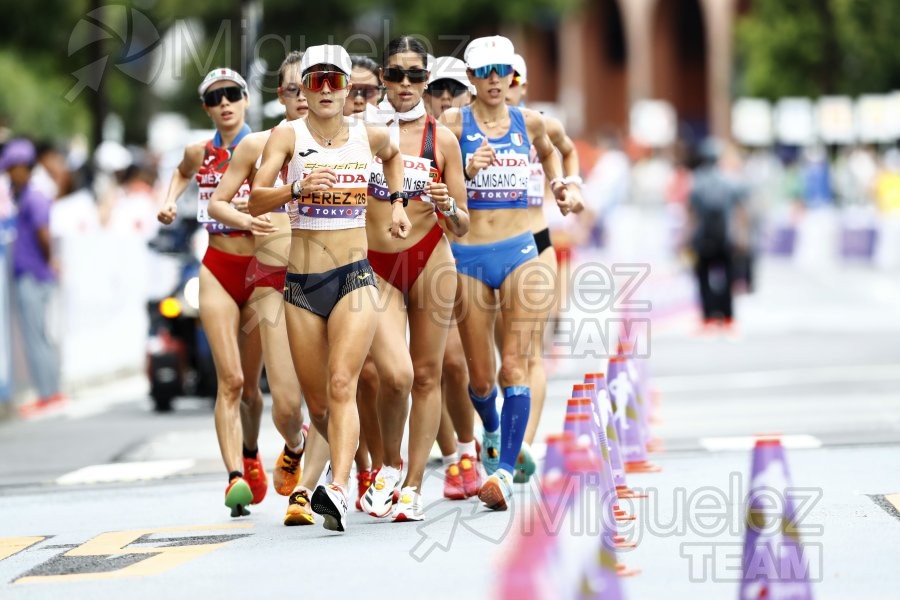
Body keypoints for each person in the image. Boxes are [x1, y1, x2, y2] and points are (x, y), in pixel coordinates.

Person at [250, 44, 410, 533]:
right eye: (315, 81)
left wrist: (398, 203)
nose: (324, 90)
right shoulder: (287, 135)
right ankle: (359, 466)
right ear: (302, 88)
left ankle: (338, 488)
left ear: (347, 89)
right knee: (318, 404)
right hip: (301, 284)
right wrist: (296, 189)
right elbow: (256, 200)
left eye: (334, 81)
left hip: (354, 276)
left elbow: (394, 155)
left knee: (345, 382)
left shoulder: (370, 134)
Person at [440, 36, 575, 511]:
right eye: (486, 71)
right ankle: (492, 431)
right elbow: (432, 182)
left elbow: (558, 148)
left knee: (513, 364)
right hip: (470, 255)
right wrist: (465, 171)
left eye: (502, 70)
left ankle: (502, 470)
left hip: (523, 250)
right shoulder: (452, 124)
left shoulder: (530, 121)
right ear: (472, 78)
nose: (496, 78)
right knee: (480, 379)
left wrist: (565, 185)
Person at [205, 52, 327, 526]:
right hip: (273, 279)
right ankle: (293, 447)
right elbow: (218, 203)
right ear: (282, 95)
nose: (305, 96)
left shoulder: (347, 142)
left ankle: (312, 490)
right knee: (287, 404)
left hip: (328, 274)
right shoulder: (257, 144)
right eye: (295, 89)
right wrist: (242, 217)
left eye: (313, 85)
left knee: (330, 392)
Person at [357, 36, 469, 522]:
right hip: (376, 263)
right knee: (392, 375)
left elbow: (463, 222)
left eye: (416, 76)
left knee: (428, 373)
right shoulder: (361, 132)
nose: (406, 84)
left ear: (426, 81)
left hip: (430, 257)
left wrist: (447, 205)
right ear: (383, 78)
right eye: (397, 75)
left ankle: (415, 485)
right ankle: (388, 464)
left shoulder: (441, 138)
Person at [157, 68, 268, 518]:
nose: (225, 103)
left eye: (232, 95)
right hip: (218, 266)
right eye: (215, 97)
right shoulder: (198, 151)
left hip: (259, 269)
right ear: (206, 107)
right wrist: (169, 200)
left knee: (254, 390)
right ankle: (233, 478)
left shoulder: (262, 145)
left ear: (245, 100)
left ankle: (252, 451)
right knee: (232, 381)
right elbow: (181, 173)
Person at [502, 53, 584, 483]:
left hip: (535, 241)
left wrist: (571, 188)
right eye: (494, 75)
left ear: (524, 84)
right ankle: (494, 431)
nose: (504, 84)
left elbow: (569, 153)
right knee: (495, 360)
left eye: (512, 77)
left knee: (526, 351)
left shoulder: (540, 125)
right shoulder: (468, 126)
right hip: (486, 248)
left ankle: (522, 446)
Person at [424, 55, 482, 501]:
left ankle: (483, 438)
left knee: (465, 364)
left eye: (454, 91)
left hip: (473, 253)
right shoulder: (406, 133)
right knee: (432, 365)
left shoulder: (482, 131)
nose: (446, 98)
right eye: (437, 90)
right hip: (417, 257)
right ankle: (455, 457)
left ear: (469, 95)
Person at [342, 53, 386, 510]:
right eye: (350, 90)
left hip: (396, 268)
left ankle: (387, 464)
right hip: (342, 267)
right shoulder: (322, 133)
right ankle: (363, 468)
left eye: (367, 91)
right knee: (355, 377)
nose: (357, 99)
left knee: (388, 376)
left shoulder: (388, 135)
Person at [1, 139, 65, 417]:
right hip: (34, 272)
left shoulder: (33, 197)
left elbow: (43, 234)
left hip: (33, 274)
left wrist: (48, 258)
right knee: (41, 335)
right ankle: (50, 392)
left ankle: (47, 394)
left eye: (12, 169)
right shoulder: (26, 195)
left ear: (22, 168)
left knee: (36, 336)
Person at [688, 138, 747, 334]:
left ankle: (707, 317)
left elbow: (692, 213)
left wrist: (687, 237)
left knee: (703, 278)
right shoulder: (730, 181)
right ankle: (728, 317)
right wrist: (741, 235)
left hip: (703, 237)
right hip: (726, 237)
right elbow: (740, 210)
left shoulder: (696, 181)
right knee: (728, 277)